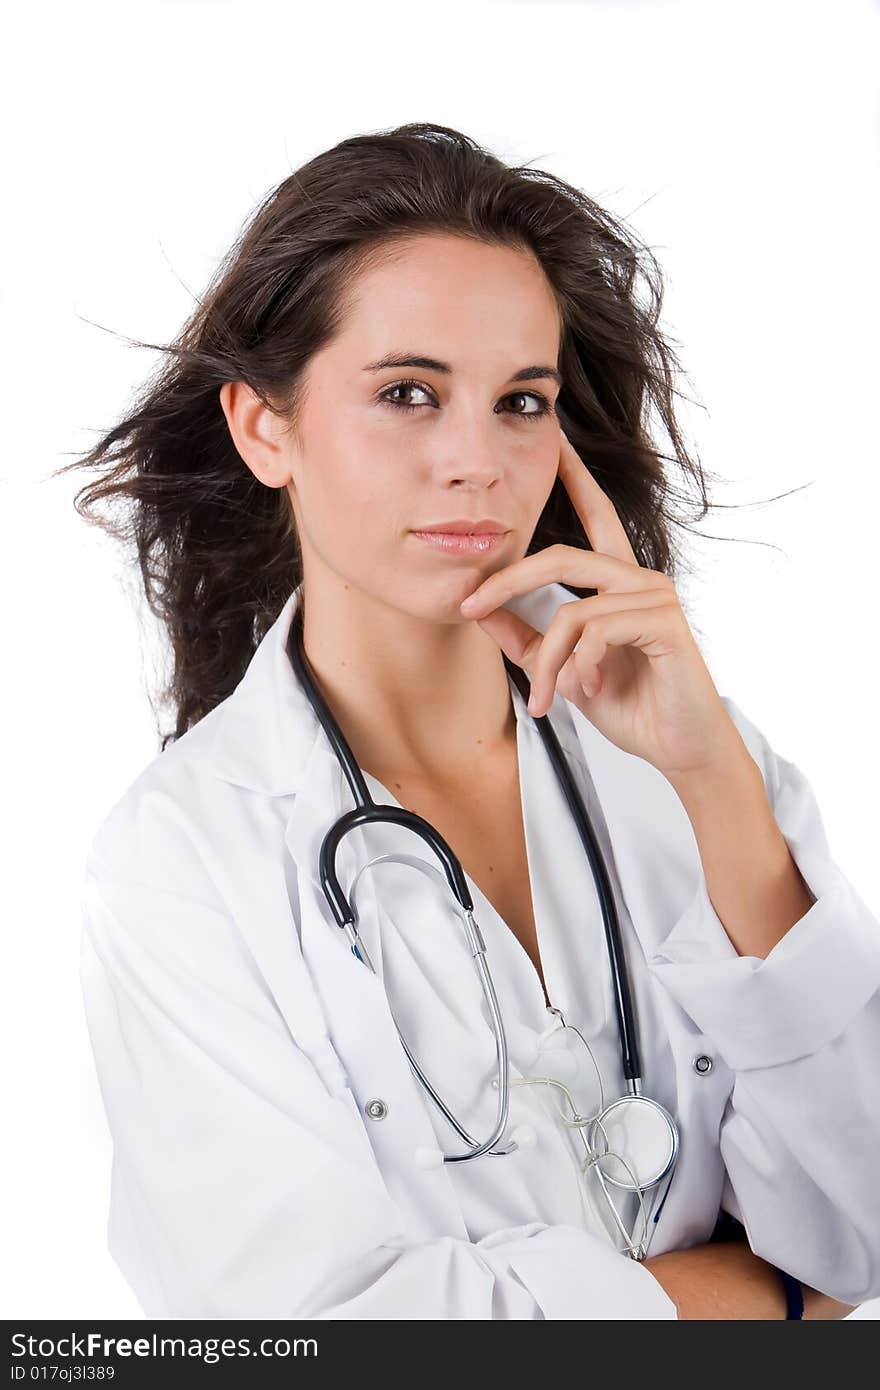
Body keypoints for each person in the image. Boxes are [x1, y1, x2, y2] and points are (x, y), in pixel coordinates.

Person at [63, 122, 878, 1320]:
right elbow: (312, 1336)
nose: (475, 461)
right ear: (262, 427)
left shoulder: (691, 752)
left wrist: (714, 788)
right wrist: (757, 1303)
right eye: (407, 393)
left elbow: (858, 1221)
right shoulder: (183, 859)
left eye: (520, 401)